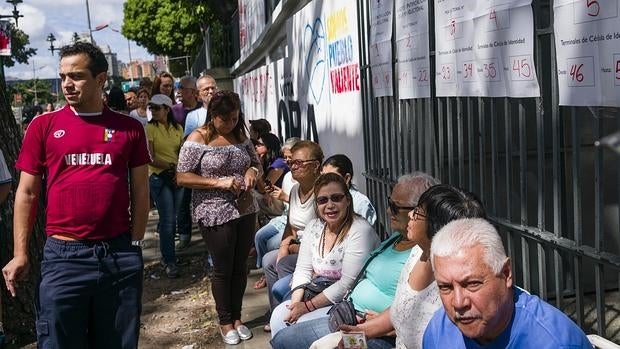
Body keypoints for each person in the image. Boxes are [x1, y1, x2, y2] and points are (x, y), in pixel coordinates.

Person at [2, 42, 150, 349]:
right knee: (58, 341)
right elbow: (27, 193)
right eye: (63, 76)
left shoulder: (129, 129)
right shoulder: (43, 126)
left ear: (101, 79)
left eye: (77, 76)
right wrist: (20, 253)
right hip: (63, 259)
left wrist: (134, 246)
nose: (67, 84)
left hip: (118, 255)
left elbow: (140, 191)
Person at [270, 173, 440, 348]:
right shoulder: (397, 238)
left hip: (375, 331)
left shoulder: (426, 253)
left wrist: (378, 327)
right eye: (390, 204)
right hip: (351, 315)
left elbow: (416, 311)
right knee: (283, 327)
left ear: (422, 211)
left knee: (288, 340)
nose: (388, 211)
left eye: (396, 207)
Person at [423, 218, 591, 348]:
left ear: (506, 273)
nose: (459, 303)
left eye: (472, 284)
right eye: (446, 287)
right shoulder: (439, 330)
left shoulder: (555, 343)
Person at [176, 90, 260, 345]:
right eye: (226, 119)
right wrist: (218, 182)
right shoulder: (197, 138)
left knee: (240, 266)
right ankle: (225, 320)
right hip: (214, 211)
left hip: (244, 209)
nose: (231, 124)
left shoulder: (240, 135)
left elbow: (255, 162)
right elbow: (182, 176)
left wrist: (251, 173)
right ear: (213, 116)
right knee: (223, 269)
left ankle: (237, 317)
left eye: (235, 118)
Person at [269, 173, 381, 337]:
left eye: (336, 198)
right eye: (323, 200)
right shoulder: (314, 226)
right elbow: (302, 269)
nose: (330, 205)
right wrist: (295, 305)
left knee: (296, 330)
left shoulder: (360, 230)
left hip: (346, 301)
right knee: (279, 316)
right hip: (318, 289)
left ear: (347, 200)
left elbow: (346, 284)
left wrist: (306, 307)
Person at [263, 140, 323, 320]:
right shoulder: (296, 190)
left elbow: (326, 236)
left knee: (282, 264)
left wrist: (292, 248)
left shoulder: (324, 192)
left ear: (316, 165)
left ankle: (291, 308)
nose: (293, 167)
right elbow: (291, 226)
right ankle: (279, 310)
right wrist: (283, 247)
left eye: (299, 163)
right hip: (296, 246)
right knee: (269, 259)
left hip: (315, 254)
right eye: (291, 163)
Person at [253, 137, 299, 289]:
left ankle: (270, 273)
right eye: (285, 158)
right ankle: (265, 272)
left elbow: (305, 207)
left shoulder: (306, 179)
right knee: (260, 236)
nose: (287, 162)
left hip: (295, 222)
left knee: (272, 243)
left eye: (290, 158)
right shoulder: (287, 176)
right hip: (284, 217)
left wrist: (285, 197)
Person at [146, 94, 184, 278]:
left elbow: (182, 151)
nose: (153, 111)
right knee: (168, 220)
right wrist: (171, 167)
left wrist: (179, 171)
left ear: (167, 110)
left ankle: (168, 254)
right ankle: (169, 260)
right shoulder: (150, 128)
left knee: (171, 219)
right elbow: (150, 156)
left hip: (176, 176)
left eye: (157, 108)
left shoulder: (178, 128)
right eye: (151, 107)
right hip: (159, 177)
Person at [321, 154, 376, 225]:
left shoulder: (360, 203)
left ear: (346, 178)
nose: (325, 182)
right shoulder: (322, 199)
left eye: (332, 178)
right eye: (323, 177)